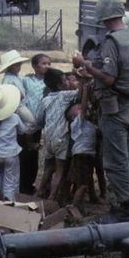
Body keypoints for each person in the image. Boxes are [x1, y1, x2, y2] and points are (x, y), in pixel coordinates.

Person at [79, 0, 129, 223]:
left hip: (114, 109)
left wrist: (87, 65)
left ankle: (124, 210)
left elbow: (108, 78)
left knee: (116, 160)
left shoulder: (112, 41)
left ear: (102, 17)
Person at [35, 68, 77, 201]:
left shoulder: (46, 99)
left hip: (48, 136)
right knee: (60, 170)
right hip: (61, 137)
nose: (68, 82)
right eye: (65, 80)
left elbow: (39, 119)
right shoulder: (65, 96)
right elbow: (81, 92)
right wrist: (81, 78)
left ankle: (39, 192)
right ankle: (52, 197)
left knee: (48, 167)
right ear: (60, 85)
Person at [0, 84, 30, 201]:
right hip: (10, 154)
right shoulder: (14, 118)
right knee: (10, 179)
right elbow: (23, 131)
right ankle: (8, 200)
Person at [20, 53, 52, 194]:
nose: (47, 66)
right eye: (43, 63)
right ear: (34, 65)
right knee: (25, 155)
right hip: (26, 124)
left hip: (40, 125)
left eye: (48, 64)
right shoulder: (27, 81)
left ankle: (30, 184)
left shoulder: (50, 82)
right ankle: (23, 185)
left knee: (34, 156)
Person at [67, 80, 101, 211]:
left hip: (86, 155)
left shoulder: (89, 124)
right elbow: (85, 106)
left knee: (83, 182)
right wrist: (85, 91)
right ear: (72, 116)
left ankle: (77, 204)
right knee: (83, 185)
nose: (81, 109)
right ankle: (74, 207)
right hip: (82, 155)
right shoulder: (77, 122)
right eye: (78, 109)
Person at [0, 50, 35, 126]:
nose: (19, 68)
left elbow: (24, 79)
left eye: (20, 65)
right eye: (16, 66)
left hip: (23, 103)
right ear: (9, 67)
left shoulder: (16, 77)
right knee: (31, 121)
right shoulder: (8, 79)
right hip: (17, 106)